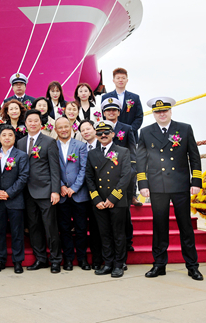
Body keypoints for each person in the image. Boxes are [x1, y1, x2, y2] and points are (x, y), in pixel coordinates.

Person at [137, 97, 203, 281]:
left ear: (170, 111)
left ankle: (192, 266)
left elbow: (194, 157)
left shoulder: (184, 128)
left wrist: (196, 181)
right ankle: (159, 265)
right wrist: (143, 184)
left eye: (164, 110)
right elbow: (141, 160)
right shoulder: (146, 132)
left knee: (185, 227)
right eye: (158, 112)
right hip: (157, 186)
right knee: (159, 228)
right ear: (154, 114)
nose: (162, 114)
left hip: (180, 185)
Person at [16, 109, 62, 273]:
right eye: (30, 121)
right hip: (27, 192)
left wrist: (55, 190)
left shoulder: (49, 141)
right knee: (34, 227)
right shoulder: (20, 142)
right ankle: (40, 259)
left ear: (40, 124)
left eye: (36, 120)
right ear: (26, 123)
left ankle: (56, 260)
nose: (33, 123)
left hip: (45, 191)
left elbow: (55, 169)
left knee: (50, 227)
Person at [85, 120, 132, 278]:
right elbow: (89, 178)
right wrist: (96, 199)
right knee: (103, 234)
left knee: (118, 234)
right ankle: (108, 263)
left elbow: (126, 176)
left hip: (117, 201)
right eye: (99, 133)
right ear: (96, 136)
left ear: (113, 134)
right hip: (99, 202)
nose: (103, 135)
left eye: (106, 132)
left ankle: (119, 264)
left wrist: (113, 198)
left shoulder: (123, 151)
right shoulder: (92, 154)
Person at [0, 124, 29, 274]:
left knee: (17, 232)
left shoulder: (21, 155)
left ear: (14, 137)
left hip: (15, 199)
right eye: (4, 135)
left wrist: (9, 193)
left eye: (10, 135)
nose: (7, 138)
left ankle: (18, 261)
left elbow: (23, 177)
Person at [101, 97, 139, 251]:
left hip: (124, 177)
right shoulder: (100, 128)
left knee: (125, 213)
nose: (111, 112)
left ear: (118, 112)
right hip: (106, 177)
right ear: (104, 113)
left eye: (114, 110)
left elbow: (133, 153)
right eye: (108, 110)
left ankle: (128, 242)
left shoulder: (127, 128)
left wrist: (130, 173)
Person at [54, 116, 91, 271]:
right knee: (64, 229)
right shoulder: (52, 146)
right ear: (56, 130)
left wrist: (74, 187)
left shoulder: (80, 146)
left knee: (81, 228)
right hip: (61, 195)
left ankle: (82, 259)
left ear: (71, 127)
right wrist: (61, 186)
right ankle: (68, 259)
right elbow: (53, 169)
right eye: (60, 127)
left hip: (79, 194)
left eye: (66, 126)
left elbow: (84, 168)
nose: (63, 129)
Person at [78, 119, 104, 269]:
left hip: (100, 194)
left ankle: (101, 258)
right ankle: (94, 260)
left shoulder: (104, 146)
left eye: (88, 129)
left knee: (99, 228)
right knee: (88, 228)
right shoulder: (80, 147)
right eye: (82, 130)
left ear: (95, 130)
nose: (86, 132)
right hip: (83, 193)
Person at [101, 68, 143, 137]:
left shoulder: (135, 97)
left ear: (127, 80)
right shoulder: (106, 97)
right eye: (118, 78)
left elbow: (139, 116)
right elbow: (104, 115)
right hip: (112, 134)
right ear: (113, 80)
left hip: (131, 135)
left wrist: (129, 130)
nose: (120, 80)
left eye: (123, 78)